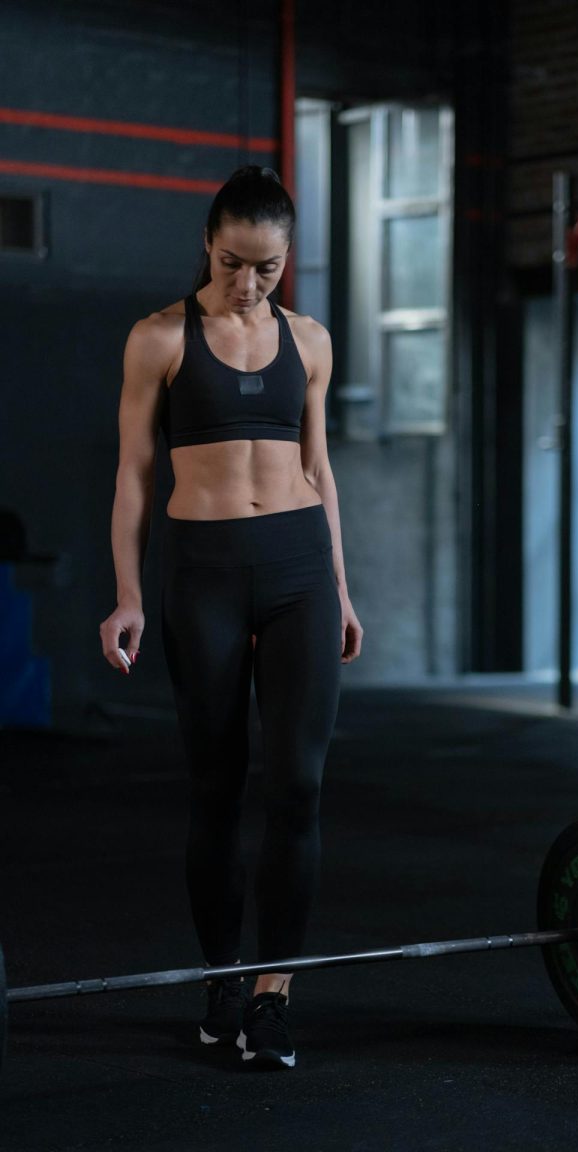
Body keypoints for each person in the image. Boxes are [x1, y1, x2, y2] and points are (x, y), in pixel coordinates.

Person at [99, 165, 363, 1070]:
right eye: (232, 263)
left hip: (297, 574)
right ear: (207, 245)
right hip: (203, 574)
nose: (248, 285)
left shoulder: (313, 342)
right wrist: (129, 595)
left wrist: (341, 584)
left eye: (267, 268)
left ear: (288, 258)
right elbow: (135, 475)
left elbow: (321, 472)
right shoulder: (161, 337)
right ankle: (222, 980)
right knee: (218, 788)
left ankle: (273, 995)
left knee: (299, 785)